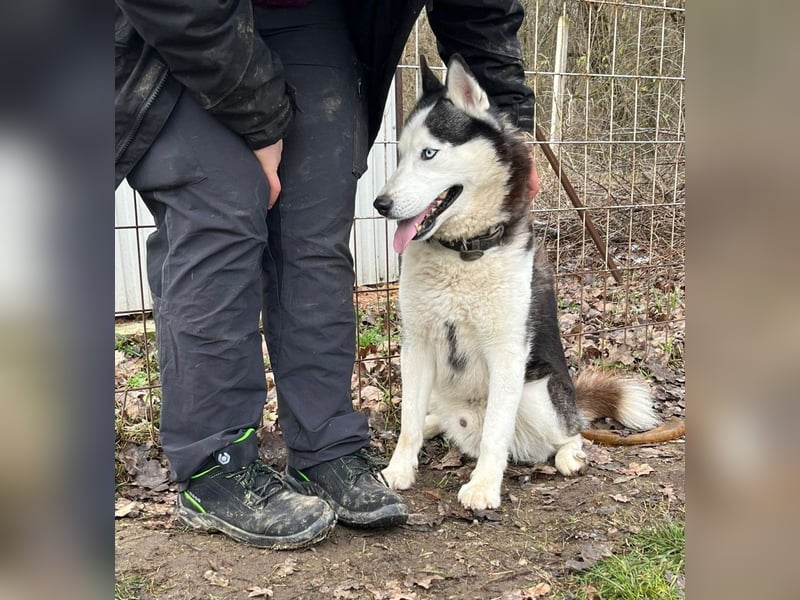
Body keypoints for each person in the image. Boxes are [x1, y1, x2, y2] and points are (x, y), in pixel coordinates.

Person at [115, 0, 539, 549]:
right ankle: (215, 466)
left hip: (313, 16)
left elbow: (477, 7)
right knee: (220, 225)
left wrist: (508, 124)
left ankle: (325, 449)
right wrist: (260, 120)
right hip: (179, 23)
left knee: (315, 236)